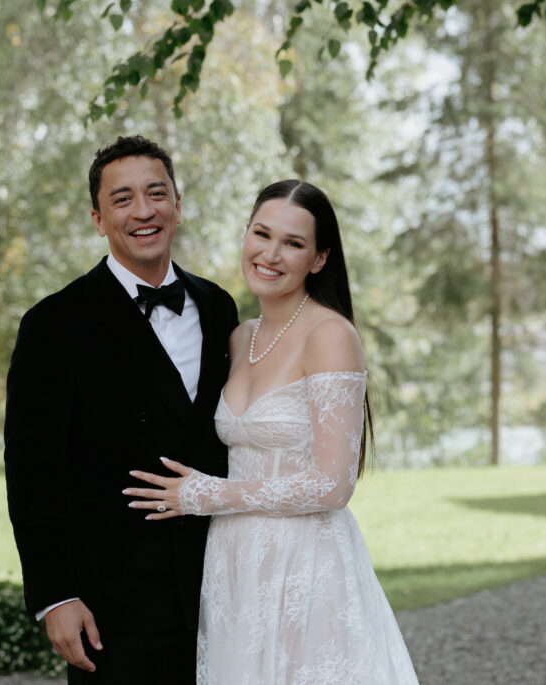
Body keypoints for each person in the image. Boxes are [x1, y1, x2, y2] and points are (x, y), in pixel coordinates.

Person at [125, 180, 420, 684]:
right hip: (234, 565)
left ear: (320, 258)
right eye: (261, 234)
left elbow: (333, 485)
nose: (271, 253)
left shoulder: (331, 336)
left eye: (294, 243)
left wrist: (209, 494)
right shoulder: (240, 337)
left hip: (304, 565)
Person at [3, 135, 239, 684]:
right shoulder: (53, 324)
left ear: (177, 204)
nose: (143, 211)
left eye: (156, 194)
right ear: (98, 217)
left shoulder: (218, 304)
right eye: (123, 199)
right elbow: (31, 472)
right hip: (115, 605)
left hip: (221, 585)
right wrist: (55, 595)